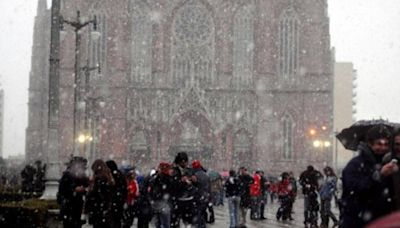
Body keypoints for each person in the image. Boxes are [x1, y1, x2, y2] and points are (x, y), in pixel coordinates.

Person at [341, 125, 396, 228]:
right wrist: (379, 175)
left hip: (382, 222)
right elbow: (355, 189)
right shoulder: (355, 165)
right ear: (370, 143)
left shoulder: (388, 163)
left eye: (386, 144)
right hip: (358, 222)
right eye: (379, 144)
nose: (383, 148)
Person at [57, 156, 89, 228]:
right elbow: (63, 191)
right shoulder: (67, 175)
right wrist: (74, 190)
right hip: (70, 207)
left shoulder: (80, 176)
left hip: (75, 206)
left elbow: (85, 185)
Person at [85, 159, 115, 228]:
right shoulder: (109, 178)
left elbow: (95, 194)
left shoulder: (99, 179)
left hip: (98, 210)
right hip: (105, 210)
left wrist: (89, 192)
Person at [171, 152, 198, 228]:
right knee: (175, 222)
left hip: (189, 200)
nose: (184, 163)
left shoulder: (190, 170)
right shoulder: (174, 171)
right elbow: (173, 185)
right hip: (178, 200)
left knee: (188, 222)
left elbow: (195, 184)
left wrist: (194, 180)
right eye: (182, 162)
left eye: (185, 161)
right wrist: (180, 181)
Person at [148, 162, 174, 228]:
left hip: (155, 203)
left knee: (157, 224)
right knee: (166, 224)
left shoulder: (154, 178)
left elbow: (150, 191)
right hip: (164, 204)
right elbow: (171, 190)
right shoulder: (168, 179)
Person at [106, 160, 127, 228]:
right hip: (118, 203)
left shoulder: (111, 176)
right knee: (117, 221)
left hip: (113, 202)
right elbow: (124, 190)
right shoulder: (120, 175)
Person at [192, 160, 211, 228]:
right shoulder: (206, 175)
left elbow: (194, 187)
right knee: (202, 215)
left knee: (198, 217)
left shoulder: (195, 175)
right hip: (205, 198)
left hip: (198, 198)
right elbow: (209, 188)